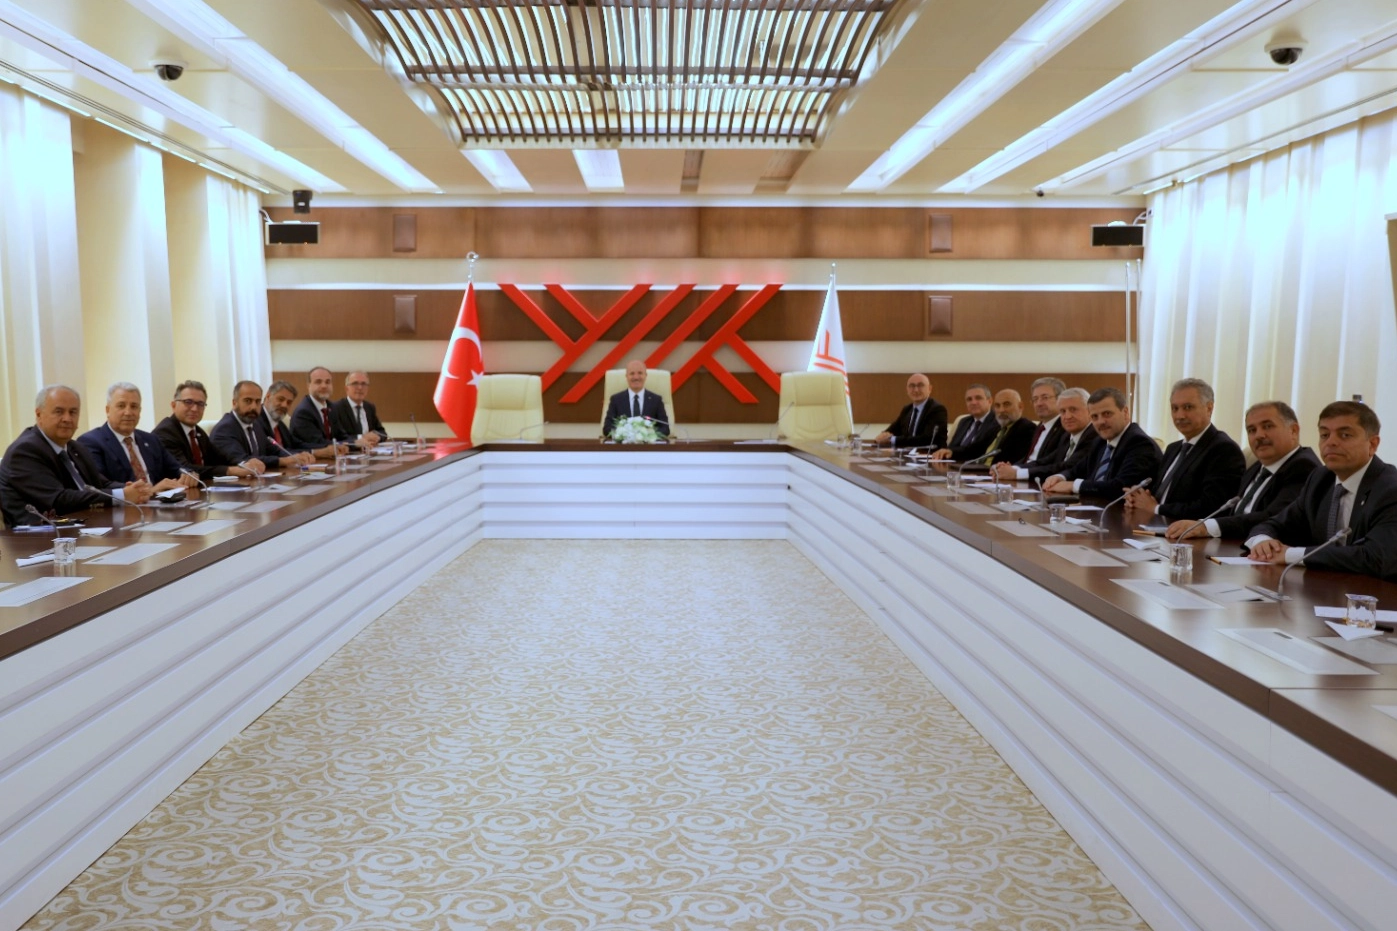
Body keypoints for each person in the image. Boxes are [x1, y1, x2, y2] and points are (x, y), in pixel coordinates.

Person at [1247, 401, 1397, 579]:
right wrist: (1262, 541)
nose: (1331, 442)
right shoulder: (1320, 479)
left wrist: (1291, 555)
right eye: (1324, 435)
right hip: (1324, 587)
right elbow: (1274, 524)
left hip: (1377, 592)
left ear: (1372, 444)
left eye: (1345, 435)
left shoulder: (1390, 489)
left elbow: (1376, 557)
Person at [0, 385, 152, 527]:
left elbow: (100, 485)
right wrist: (122, 495)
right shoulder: (25, 451)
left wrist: (135, 489)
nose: (67, 418)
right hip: (37, 535)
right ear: (39, 414)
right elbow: (59, 499)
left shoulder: (74, 447)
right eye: (59, 411)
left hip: (81, 526)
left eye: (73, 412)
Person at [1166, 401, 1320, 540]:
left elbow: (1273, 517)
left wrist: (1207, 527)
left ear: (1293, 430)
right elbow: (1230, 511)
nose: (1259, 435)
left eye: (1267, 426)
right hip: (1232, 547)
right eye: (1252, 430)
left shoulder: (1304, 467)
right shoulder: (1257, 467)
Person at [1125, 378, 1245, 521]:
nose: (1180, 416)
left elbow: (1212, 507)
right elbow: (1159, 494)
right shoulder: (1173, 448)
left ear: (1209, 408)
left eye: (1188, 407)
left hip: (1186, 531)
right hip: (1154, 524)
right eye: (1175, 408)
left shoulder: (1223, 449)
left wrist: (1156, 508)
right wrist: (1137, 498)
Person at [1042, 387, 1162, 499]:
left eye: (1107, 414)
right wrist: (1060, 477)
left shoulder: (1140, 443)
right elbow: (1077, 470)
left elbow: (1121, 487)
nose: (1100, 422)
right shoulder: (1100, 441)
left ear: (1125, 412)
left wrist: (1073, 485)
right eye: (1095, 417)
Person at [76, 382, 196, 492]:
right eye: (121, 406)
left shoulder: (151, 439)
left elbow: (177, 468)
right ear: (108, 410)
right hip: (124, 507)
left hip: (162, 504)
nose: (128, 412)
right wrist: (150, 491)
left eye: (134, 407)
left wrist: (188, 475)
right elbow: (101, 485)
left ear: (140, 411)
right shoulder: (91, 442)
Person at [152, 380, 257, 482]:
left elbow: (219, 458)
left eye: (200, 404)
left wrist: (244, 463)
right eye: (188, 402)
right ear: (173, 405)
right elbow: (185, 470)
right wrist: (229, 471)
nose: (194, 409)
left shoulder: (198, 432)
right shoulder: (165, 432)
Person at [994, 386, 1098, 483]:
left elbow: (1068, 466)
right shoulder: (1067, 436)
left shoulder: (1094, 435)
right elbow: (1045, 461)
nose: (1067, 416)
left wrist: (1017, 473)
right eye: (1062, 411)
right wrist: (1012, 468)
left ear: (1089, 411)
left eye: (1073, 410)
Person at [211, 381, 314, 471]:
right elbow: (243, 460)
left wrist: (296, 456)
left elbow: (275, 450)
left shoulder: (254, 425)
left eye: (257, 401)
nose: (253, 407)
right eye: (248, 401)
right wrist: (284, 461)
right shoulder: (224, 429)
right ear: (234, 403)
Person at [262, 380, 341, 459]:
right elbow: (274, 452)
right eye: (280, 399)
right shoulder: (257, 421)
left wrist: (325, 448)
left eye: (289, 402)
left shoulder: (279, 423)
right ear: (268, 396)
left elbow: (296, 444)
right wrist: (316, 453)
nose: (284, 405)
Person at [875, 373, 947, 449]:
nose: (916, 390)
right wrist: (882, 436)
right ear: (907, 390)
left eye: (920, 385)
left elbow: (927, 439)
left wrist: (893, 439)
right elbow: (892, 431)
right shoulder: (907, 409)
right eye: (912, 386)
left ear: (930, 389)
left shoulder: (937, 410)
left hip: (929, 454)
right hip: (906, 453)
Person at [290, 366, 354, 449]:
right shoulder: (303, 412)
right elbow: (319, 443)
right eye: (318, 382)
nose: (324, 386)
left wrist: (358, 443)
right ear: (308, 385)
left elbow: (341, 436)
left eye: (328, 382)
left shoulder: (332, 407)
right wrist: (352, 444)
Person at [604, 360, 670, 437]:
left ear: (645, 375)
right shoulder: (616, 400)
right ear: (626, 376)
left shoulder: (656, 400)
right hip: (624, 443)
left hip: (648, 443)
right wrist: (624, 434)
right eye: (632, 373)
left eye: (640, 373)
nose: (636, 377)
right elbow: (607, 428)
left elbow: (665, 428)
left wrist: (647, 435)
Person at [930, 384, 995, 461]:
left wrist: (952, 452)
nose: (973, 402)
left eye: (978, 398)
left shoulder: (996, 422)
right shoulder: (964, 421)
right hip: (954, 463)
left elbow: (978, 450)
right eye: (969, 399)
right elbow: (951, 447)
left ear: (990, 401)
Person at [980, 389, 1037, 465]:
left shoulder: (1027, 429)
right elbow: (973, 450)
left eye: (1006, 404)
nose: (1001, 410)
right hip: (977, 469)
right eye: (997, 406)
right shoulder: (995, 428)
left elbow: (1016, 462)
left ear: (1020, 406)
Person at [332, 371, 387, 447]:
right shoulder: (336, 408)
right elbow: (337, 437)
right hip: (349, 452)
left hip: (370, 451)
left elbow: (382, 432)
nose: (360, 388)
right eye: (355, 383)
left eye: (363, 384)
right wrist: (361, 438)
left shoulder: (369, 407)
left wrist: (377, 437)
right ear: (346, 388)